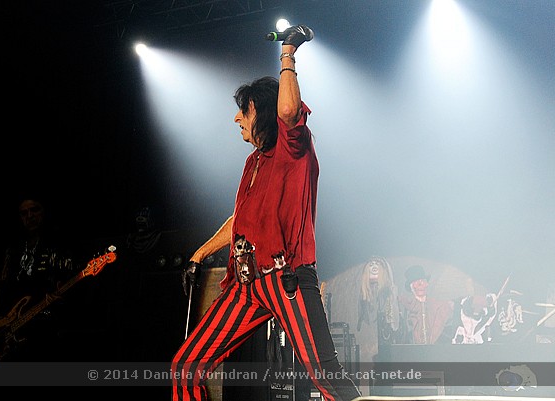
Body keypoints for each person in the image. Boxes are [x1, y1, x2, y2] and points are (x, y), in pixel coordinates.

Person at [171, 25, 362, 401]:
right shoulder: (253, 162)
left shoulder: (294, 147)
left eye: (242, 110)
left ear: (260, 111)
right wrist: (200, 253)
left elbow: (288, 110)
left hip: (288, 278)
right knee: (185, 368)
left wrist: (288, 51)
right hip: (246, 285)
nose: (236, 119)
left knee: (327, 378)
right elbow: (240, 220)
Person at [0, 197, 79, 368]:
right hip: (9, 331)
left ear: (45, 211)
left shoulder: (59, 245)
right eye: (24, 213)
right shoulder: (14, 248)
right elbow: (0, 287)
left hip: (43, 332)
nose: (30, 216)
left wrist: (62, 297)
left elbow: (70, 286)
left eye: (34, 209)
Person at [398, 265, 454, 345]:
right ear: (411, 287)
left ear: (427, 284)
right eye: (416, 282)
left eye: (423, 281)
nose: (420, 284)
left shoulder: (438, 306)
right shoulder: (405, 306)